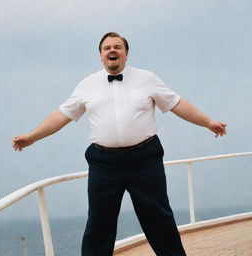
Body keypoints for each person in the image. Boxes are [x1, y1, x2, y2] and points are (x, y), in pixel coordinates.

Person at [13, 32, 226, 256]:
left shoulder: (147, 79)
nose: (112, 50)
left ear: (126, 53)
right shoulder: (87, 85)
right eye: (107, 48)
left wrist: (208, 122)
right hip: (104, 164)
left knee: (158, 219)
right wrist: (33, 136)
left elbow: (177, 104)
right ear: (101, 55)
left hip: (145, 160)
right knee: (99, 223)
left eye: (117, 47)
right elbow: (62, 115)